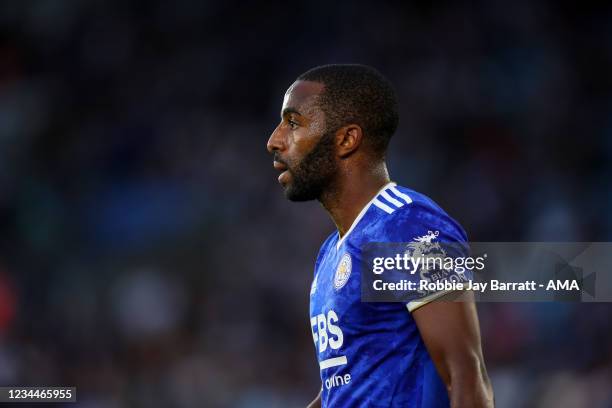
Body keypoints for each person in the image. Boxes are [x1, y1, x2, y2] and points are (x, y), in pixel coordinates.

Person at [266, 64, 494, 408]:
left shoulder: (409, 228)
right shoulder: (330, 252)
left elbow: (466, 378)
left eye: (293, 122)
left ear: (346, 139)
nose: (274, 140)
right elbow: (342, 392)